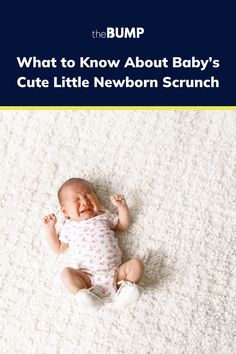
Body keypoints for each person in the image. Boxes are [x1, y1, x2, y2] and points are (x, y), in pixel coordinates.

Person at [43, 178, 144, 311]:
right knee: (66, 274)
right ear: (65, 211)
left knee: (137, 264)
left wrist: (122, 207)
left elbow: (123, 225)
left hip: (116, 274)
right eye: (76, 200)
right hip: (87, 277)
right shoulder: (68, 226)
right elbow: (58, 247)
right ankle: (85, 296)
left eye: (89, 197)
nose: (85, 202)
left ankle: (125, 294)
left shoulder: (103, 215)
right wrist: (50, 229)